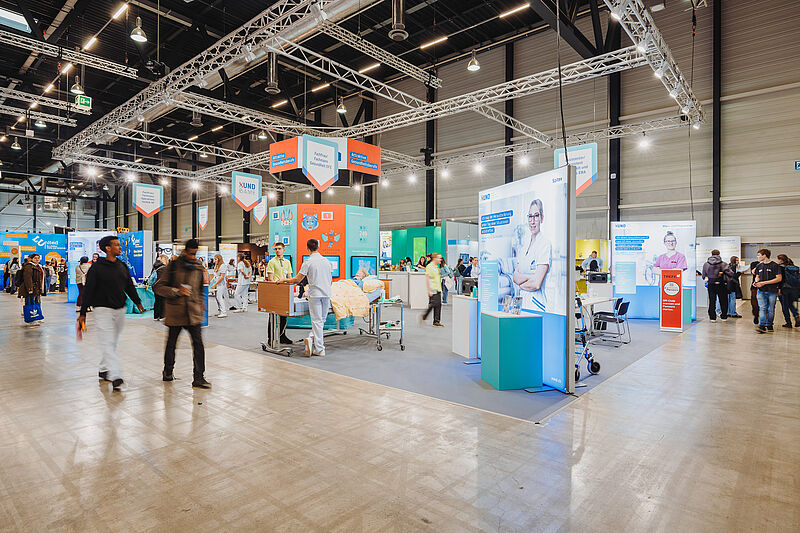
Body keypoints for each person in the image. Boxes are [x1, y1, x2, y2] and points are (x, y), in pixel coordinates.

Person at [78, 236, 144, 391]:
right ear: (107, 248)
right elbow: (88, 290)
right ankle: (116, 376)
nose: (120, 247)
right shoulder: (96, 268)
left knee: (111, 342)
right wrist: (83, 313)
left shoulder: (122, 265)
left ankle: (103, 369)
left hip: (120, 310)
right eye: (117, 245)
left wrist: (137, 301)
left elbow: (129, 285)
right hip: (102, 310)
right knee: (108, 342)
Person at [154, 239, 210, 389]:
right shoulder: (173, 266)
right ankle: (168, 372)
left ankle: (199, 378)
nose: (192, 257)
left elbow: (199, 288)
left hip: (193, 313)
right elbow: (158, 287)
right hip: (176, 313)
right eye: (190, 253)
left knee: (198, 345)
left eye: (195, 254)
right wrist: (176, 291)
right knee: (171, 344)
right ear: (184, 251)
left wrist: (201, 301)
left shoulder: (198, 266)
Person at [279, 239, 333, 357]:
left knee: (317, 321)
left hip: (315, 295)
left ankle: (319, 349)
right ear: (318, 247)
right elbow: (330, 280)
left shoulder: (308, 262)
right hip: (327, 294)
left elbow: (297, 280)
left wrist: (284, 280)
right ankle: (312, 338)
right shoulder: (327, 262)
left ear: (308, 249)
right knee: (321, 321)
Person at [513, 199, 551, 313]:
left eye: (536, 216)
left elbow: (536, 283)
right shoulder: (524, 245)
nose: (532, 221)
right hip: (521, 301)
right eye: (530, 216)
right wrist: (531, 277)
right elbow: (515, 277)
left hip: (536, 304)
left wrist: (521, 284)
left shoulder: (544, 244)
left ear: (542, 218)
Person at [266, 242, 294, 345]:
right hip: (275, 292)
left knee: (283, 316)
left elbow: (290, 277)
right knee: (272, 316)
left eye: (279, 249)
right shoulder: (272, 262)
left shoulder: (287, 262)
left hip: (285, 291)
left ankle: (282, 336)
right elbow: (270, 279)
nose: (277, 250)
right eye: (276, 249)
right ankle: (270, 338)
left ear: (283, 250)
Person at [753, 248, 782, 333]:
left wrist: (764, 283)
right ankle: (762, 325)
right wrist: (756, 282)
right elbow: (757, 276)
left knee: (771, 309)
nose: (757, 257)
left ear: (764, 255)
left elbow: (779, 278)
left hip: (772, 291)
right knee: (762, 308)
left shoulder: (775, 265)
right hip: (761, 291)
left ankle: (769, 325)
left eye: (759, 255)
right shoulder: (759, 266)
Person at [701, 249, 731, 323]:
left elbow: (703, 275)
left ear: (711, 254)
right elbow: (730, 273)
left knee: (712, 301)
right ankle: (724, 316)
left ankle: (712, 317)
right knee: (723, 301)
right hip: (721, 284)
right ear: (719, 254)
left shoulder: (706, 264)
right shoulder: (723, 264)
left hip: (711, 283)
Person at [18, 254, 44, 327]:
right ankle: (30, 319)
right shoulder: (28, 266)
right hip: (30, 288)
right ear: (31, 259)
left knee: (36, 302)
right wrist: (30, 289)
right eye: (35, 258)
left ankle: (37, 316)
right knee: (29, 303)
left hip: (37, 288)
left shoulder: (38, 266)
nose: (37, 259)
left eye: (38, 258)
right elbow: (27, 278)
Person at [776, 254, 800, 328]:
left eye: (778, 259)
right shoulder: (793, 267)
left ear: (781, 260)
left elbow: (781, 280)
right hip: (794, 289)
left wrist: (779, 288)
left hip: (784, 289)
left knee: (784, 306)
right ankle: (796, 316)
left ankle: (788, 322)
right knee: (790, 304)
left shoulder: (780, 267)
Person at [421, 252, 444, 326]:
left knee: (438, 304)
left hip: (438, 288)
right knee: (434, 303)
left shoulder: (436, 267)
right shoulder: (429, 267)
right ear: (434, 258)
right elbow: (428, 278)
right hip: (433, 288)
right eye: (439, 258)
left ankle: (436, 321)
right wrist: (429, 290)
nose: (440, 259)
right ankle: (424, 316)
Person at [210, 254, 230, 319]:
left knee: (219, 297)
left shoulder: (223, 266)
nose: (214, 260)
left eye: (216, 259)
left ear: (219, 259)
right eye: (214, 259)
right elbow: (215, 276)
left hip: (221, 285)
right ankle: (220, 311)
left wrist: (215, 284)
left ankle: (224, 312)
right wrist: (211, 283)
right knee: (217, 297)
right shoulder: (216, 266)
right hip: (217, 284)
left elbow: (221, 277)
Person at [150, 255, 168, 321]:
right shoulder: (164, 268)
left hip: (155, 287)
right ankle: (162, 316)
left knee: (157, 301)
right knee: (162, 301)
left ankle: (156, 316)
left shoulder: (155, 267)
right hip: (162, 287)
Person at [749, 259, 761, 325]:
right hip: (755, 286)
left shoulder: (771, 264)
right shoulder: (754, 264)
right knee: (754, 303)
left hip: (765, 286)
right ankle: (756, 316)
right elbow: (753, 272)